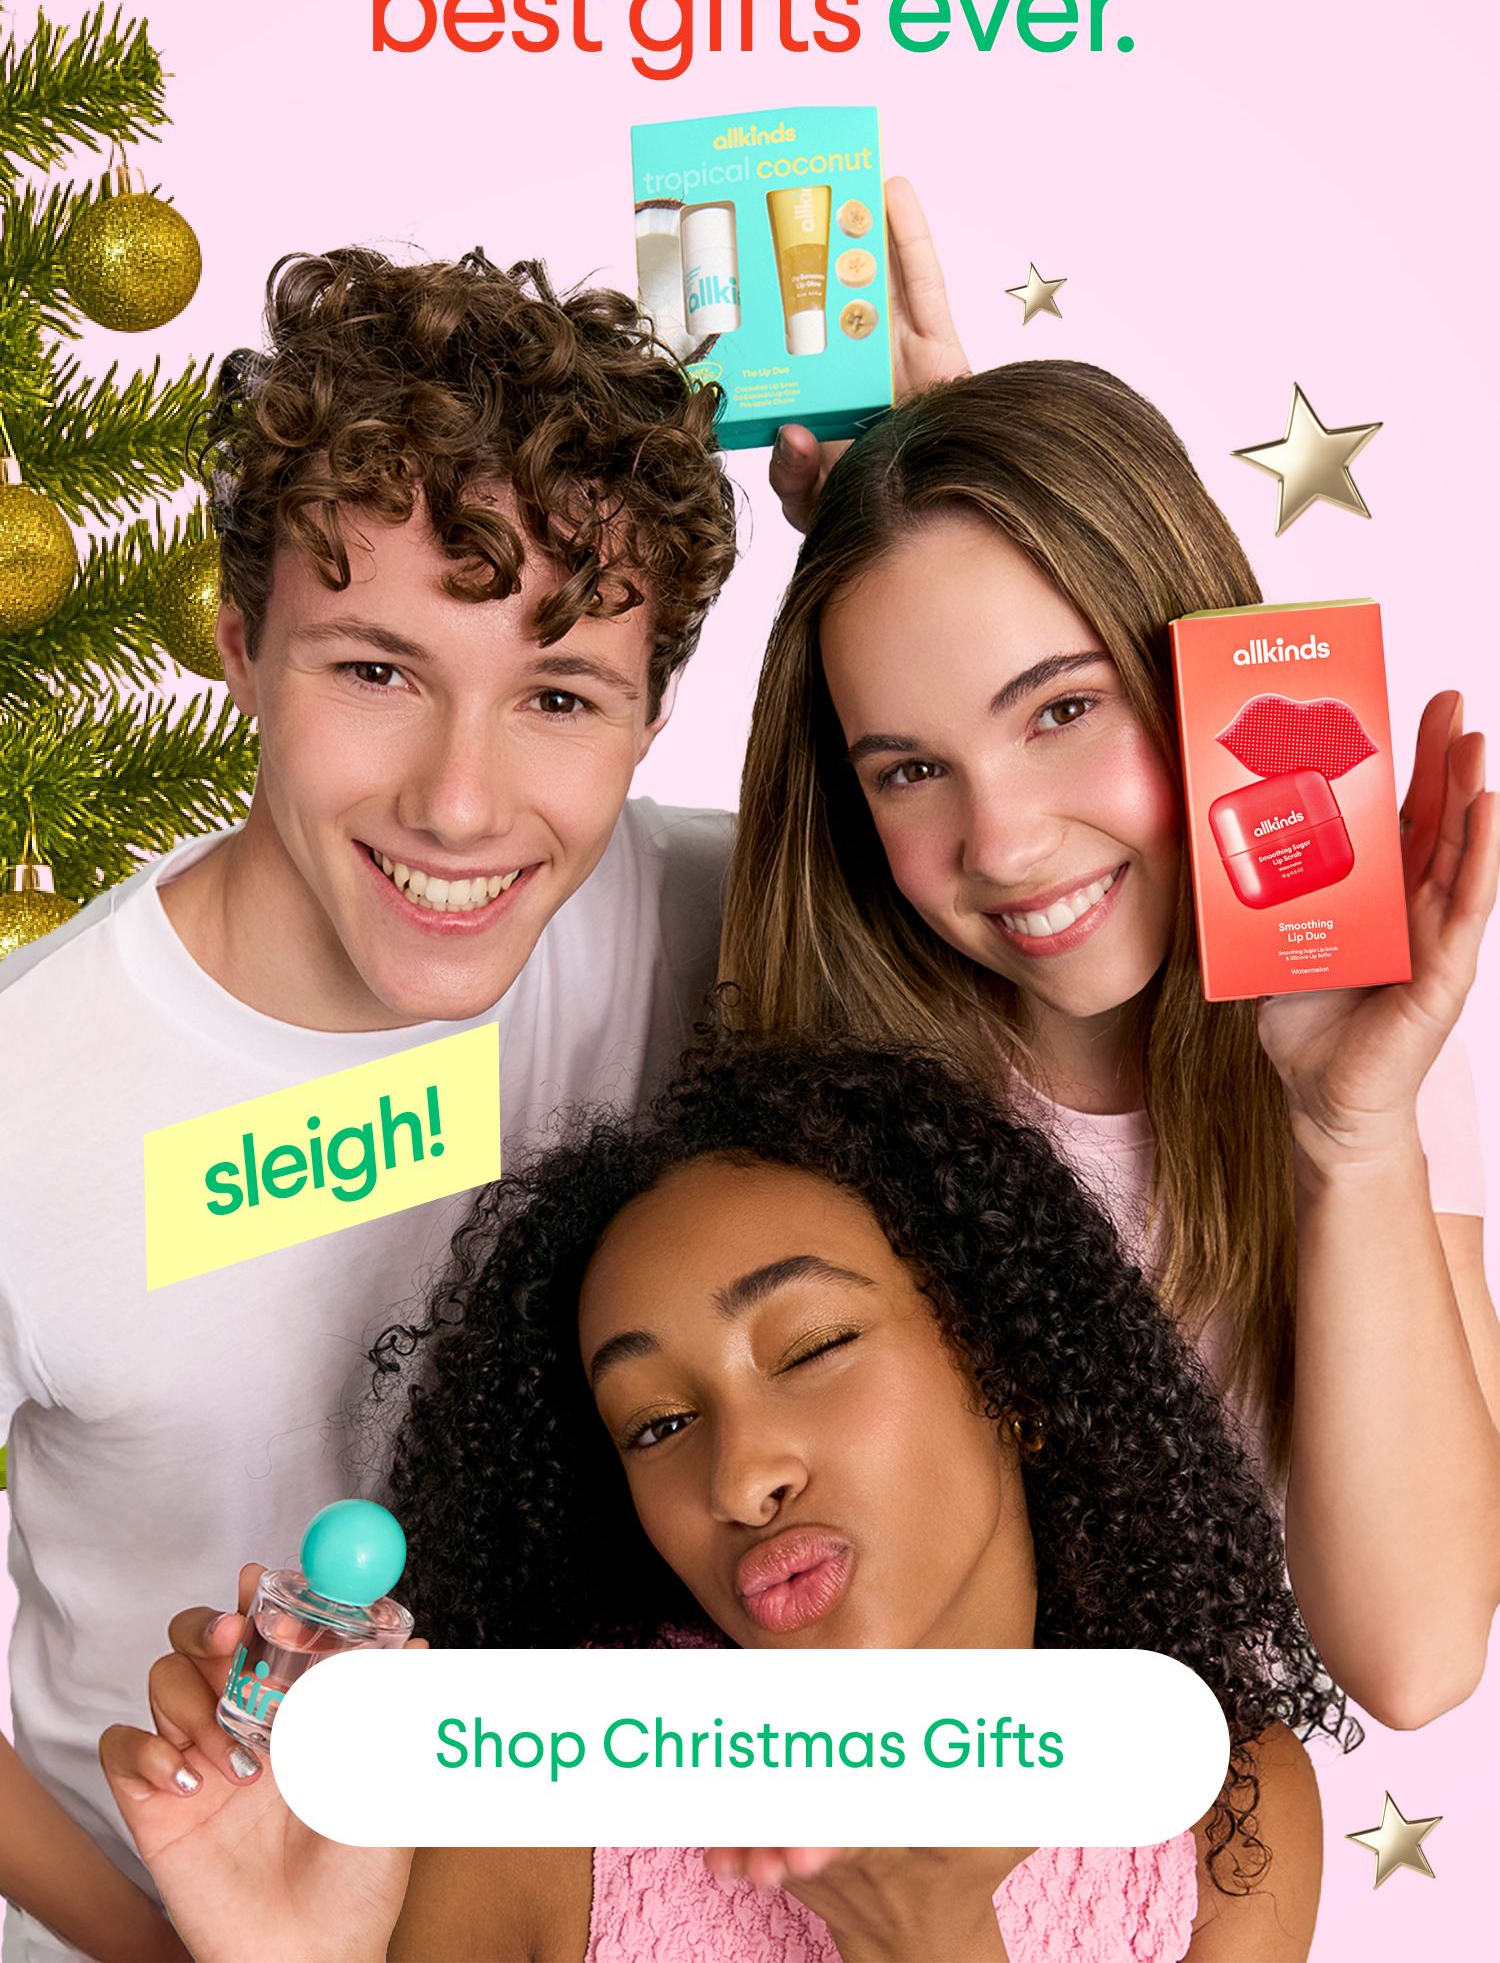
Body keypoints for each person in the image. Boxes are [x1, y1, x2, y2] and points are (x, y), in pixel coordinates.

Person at [0, 245, 739, 1962]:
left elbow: (1026, 851)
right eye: (377, 672)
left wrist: (918, 489)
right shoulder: (33, 1101)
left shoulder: (720, 923)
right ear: (240, 644)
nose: (462, 806)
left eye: (558, 697)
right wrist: (168, 1942)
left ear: (647, 720)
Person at [102, 1037, 1343, 1962]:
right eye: (658, 1424)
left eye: (808, 1346)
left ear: (1009, 1364)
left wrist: (928, 1937)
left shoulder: (1224, 1814)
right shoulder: (546, 1810)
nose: (742, 1478)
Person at [722, 359, 1500, 1731]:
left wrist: (1353, 1134)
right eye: (911, 768)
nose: (1007, 844)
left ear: (1197, 669)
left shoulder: (1371, 1034)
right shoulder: (831, 1108)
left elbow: (1417, 1657)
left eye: (1063, 710)